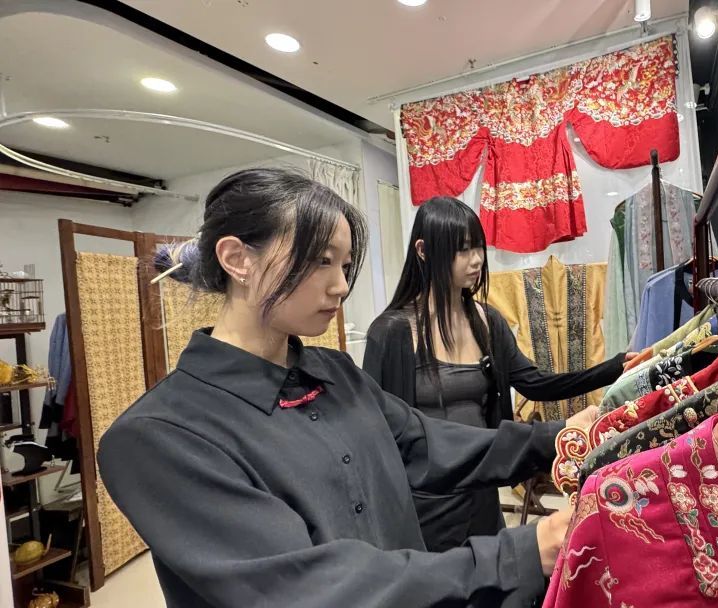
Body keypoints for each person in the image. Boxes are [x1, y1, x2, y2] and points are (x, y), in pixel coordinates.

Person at [97, 169, 575, 608]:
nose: (341, 285)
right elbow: (307, 588)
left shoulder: (337, 374)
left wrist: (565, 436)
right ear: (237, 259)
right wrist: (518, 554)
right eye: (321, 261)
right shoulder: (158, 437)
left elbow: (429, 445)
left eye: (344, 265)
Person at [364, 196, 630, 553]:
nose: (476, 260)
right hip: (425, 501)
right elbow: (375, 432)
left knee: (493, 575)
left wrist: (615, 368)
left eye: (478, 247)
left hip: (482, 492)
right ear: (423, 250)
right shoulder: (392, 332)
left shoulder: (487, 321)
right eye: (462, 249)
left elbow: (535, 384)